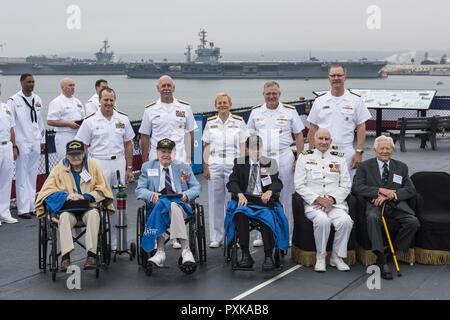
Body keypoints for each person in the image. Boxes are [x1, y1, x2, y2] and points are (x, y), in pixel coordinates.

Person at [35, 140, 114, 271]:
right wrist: (66, 196)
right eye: (72, 154)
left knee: (94, 215)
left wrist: (86, 196)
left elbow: (103, 189)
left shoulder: (93, 166)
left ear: (84, 154)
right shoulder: (58, 169)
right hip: (68, 209)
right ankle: (65, 258)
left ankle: (91, 256)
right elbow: (46, 193)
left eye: (78, 154)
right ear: (66, 155)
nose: (75, 157)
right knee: (65, 217)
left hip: (88, 207)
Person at [352, 135, 420, 280]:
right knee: (372, 217)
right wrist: (379, 191)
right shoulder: (365, 166)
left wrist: (392, 194)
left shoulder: (401, 167)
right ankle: (381, 258)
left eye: (387, 148)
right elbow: (357, 187)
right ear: (375, 150)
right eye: (381, 148)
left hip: (396, 205)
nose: (384, 151)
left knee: (413, 222)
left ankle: (391, 251)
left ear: (392, 151)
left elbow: (410, 190)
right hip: (374, 203)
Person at [75, 87, 135, 250]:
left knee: (118, 203)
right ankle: (98, 241)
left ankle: (115, 241)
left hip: (118, 164)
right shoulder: (90, 121)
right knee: (97, 202)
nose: (108, 103)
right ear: (99, 101)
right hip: (98, 165)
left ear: (114, 100)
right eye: (105, 100)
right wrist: (84, 170)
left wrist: (129, 168)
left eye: (111, 100)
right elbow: (83, 147)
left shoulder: (122, 119)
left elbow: (128, 144)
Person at [247, 81, 304, 246]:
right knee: (261, 194)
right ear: (263, 94)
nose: (271, 96)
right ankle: (260, 234)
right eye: (268, 94)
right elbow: (249, 135)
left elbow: (299, 135)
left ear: (279, 94)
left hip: (284, 156)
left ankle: (285, 233)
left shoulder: (289, 111)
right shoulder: (256, 112)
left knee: (284, 197)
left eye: (274, 93)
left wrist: (299, 157)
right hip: (262, 159)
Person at [135, 138, 201, 269]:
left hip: (180, 205)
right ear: (157, 152)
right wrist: (151, 195)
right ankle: (186, 251)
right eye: (163, 151)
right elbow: (140, 189)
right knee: (165, 205)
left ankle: (160, 252)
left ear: (174, 153)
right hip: (157, 205)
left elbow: (196, 187)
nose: (166, 154)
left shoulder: (183, 168)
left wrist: (186, 194)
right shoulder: (147, 167)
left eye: (169, 151)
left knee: (172, 205)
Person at [225, 135, 289, 271]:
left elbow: (277, 182)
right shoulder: (240, 162)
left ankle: (268, 256)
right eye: (253, 148)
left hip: (263, 201)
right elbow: (232, 182)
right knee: (240, 214)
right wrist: (239, 194)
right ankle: (246, 255)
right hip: (246, 200)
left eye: (259, 148)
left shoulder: (269, 163)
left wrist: (270, 191)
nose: (257, 151)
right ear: (247, 149)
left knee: (266, 216)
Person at [294, 128, 353, 272]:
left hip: (335, 204)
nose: (323, 142)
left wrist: (332, 200)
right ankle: (321, 257)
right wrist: (318, 199)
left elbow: (346, 185)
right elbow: (299, 185)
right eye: (320, 138)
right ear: (314, 140)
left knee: (346, 221)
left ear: (331, 141)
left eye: (327, 139)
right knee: (322, 220)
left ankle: (337, 257)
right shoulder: (304, 157)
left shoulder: (339, 158)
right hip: (314, 205)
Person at [307, 64, 371, 176]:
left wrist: (359, 152)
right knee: (323, 184)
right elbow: (313, 128)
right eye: (333, 75)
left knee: (347, 186)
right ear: (329, 78)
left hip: (345, 151)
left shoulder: (356, 100)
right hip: (323, 151)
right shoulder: (319, 101)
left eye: (339, 75)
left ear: (345, 77)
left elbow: (361, 127)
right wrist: (311, 153)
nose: (336, 78)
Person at [202, 93, 247, 248]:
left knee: (233, 200)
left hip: (233, 163)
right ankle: (216, 236)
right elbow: (206, 145)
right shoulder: (210, 123)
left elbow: (243, 147)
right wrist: (206, 166)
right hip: (215, 163)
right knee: (215, 200)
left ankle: (234, 235)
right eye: (219, 103)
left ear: (230, 104)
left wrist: (242, 167)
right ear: (216, 106)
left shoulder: (239, 122)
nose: (222, 105)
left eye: (225, 103)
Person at [7, 74, 45, 219]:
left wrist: (42, 140)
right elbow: (12, 124)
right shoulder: (13, 100)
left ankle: (32, 205)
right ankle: (23, 209)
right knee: (22, 175)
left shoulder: (37, 99)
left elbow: (40, 121)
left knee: (32, 174)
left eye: (33, 82)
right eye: (28, 82)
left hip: (35, 140)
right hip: (22, 141)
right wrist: (14, 144)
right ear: (22, 82)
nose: (31, 84)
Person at [139, 75, 197, 165]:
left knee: (180, 179)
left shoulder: (185, 107)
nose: (166, 88)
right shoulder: (149, 110)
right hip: (157, 157)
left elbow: (191, 134)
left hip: (179, 157)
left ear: (174, 88)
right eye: (163, 86)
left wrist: (189, 157)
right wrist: (145, 162)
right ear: (158, 88)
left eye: (169, 86)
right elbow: (144, 137)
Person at [47, 78, 85, 161]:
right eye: (70, 85)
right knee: (65, 161)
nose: (73, 87)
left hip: (78, 135)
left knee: (78, 161)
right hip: (64, 135)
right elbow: (50, 121)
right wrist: (68, 123)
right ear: (62, 87)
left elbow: (83, 118)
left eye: (74, 85)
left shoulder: (77, 102)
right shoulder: (56, 102)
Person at [0, 93, 19, 226]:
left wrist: (14, 146)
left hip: (7, 146)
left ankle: (4, 213)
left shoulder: (5, 107)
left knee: (6, 182)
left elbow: (11, 129)